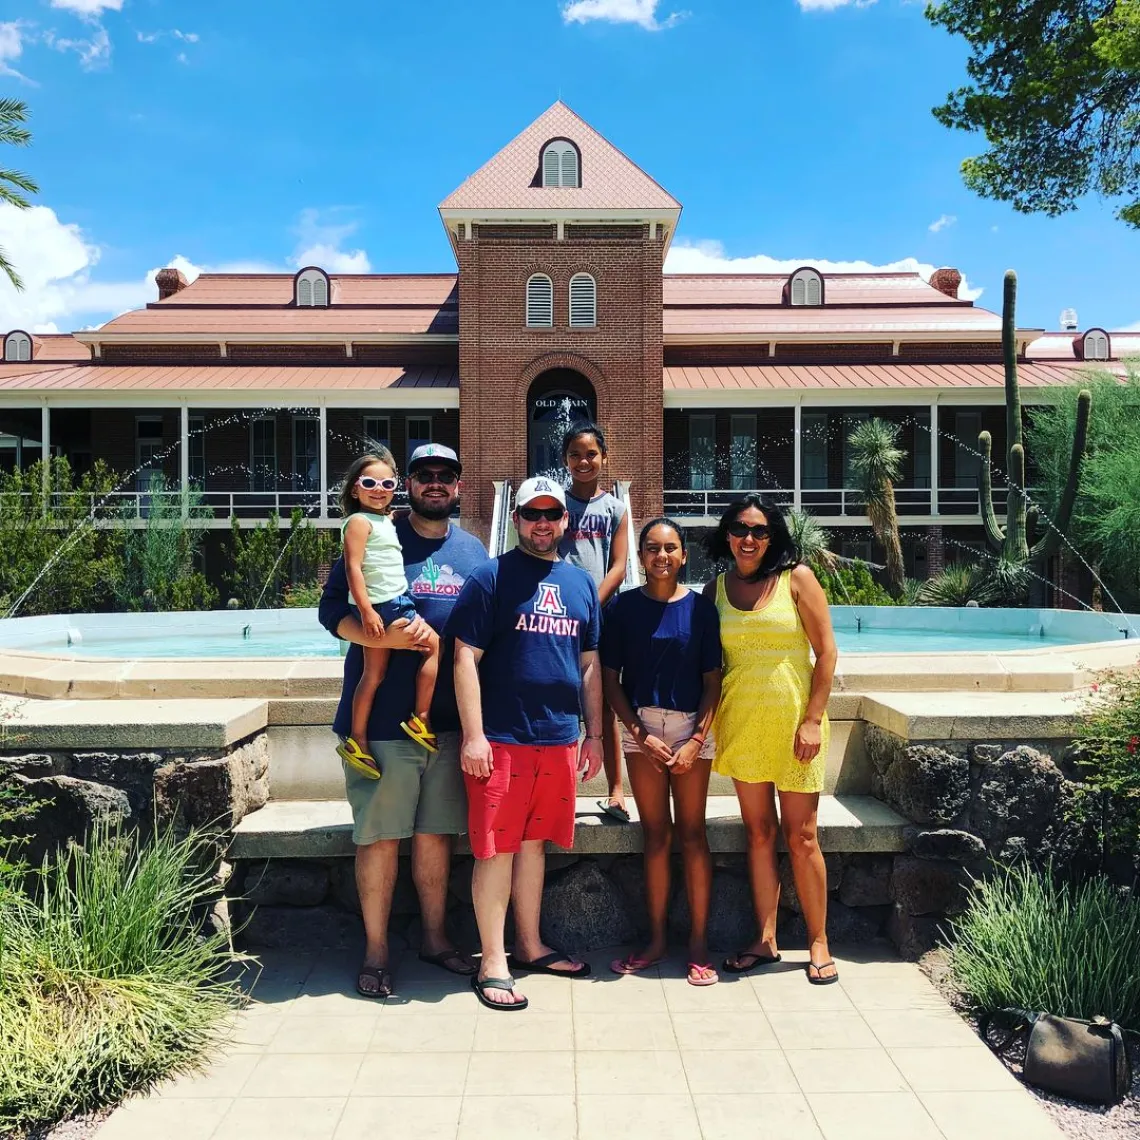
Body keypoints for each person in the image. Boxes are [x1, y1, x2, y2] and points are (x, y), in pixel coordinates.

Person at [318, 443, 488, 998]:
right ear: (406, 484)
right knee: (381, 838)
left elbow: (482, 634)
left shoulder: (473, 550)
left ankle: (435, 938)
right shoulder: (375, 532)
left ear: (458, 485)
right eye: (424, 475)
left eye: (446, 475)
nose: (435, 483)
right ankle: (376, 949)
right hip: (384, 726)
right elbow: (329, 612)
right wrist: (378, 635)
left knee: (436, 835)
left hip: (443, 725)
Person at [448, 475, 604, 1011]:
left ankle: (531, 944)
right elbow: (464, 656)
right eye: (532, 514)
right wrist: (473, 736)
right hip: (502, 740)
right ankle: (493, 961)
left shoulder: (581, 584)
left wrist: (595, 736)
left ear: (566, 521)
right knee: (496, 848)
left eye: (551, 514)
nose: (543, 523)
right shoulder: (489, 578)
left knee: (535, 844)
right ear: (516, 519)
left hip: (559, 739)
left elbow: (588, 666)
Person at [703, 495, 840, 986]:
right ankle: (765, 939)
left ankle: (819, 941)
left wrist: (812, 719)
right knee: (758, 834)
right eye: (740, 528)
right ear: (727, 534)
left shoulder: (796, 578)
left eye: (759, 531)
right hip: (743, 722)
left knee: (801, 837)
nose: (748, 538)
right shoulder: (715, 588)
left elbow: (826, 654)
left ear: (773, 536)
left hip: (795, 726)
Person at [602, 518, 722, 986]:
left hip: (693, 726)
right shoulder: (624, 610)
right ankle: (654, 939)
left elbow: (714, 681)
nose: (662, 556)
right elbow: (611, 682)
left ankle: (697, 944)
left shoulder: (701, 610)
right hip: (642, 727)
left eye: (671, 548)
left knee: (692, 834)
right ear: (640, 557)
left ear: (684, 555)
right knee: (655, 836)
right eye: (652, 548)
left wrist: (694, 740)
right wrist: (638, 732)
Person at [337, 448, 441, 772]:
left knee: (374, 674)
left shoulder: (381, 520)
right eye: (369, 482)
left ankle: (358, 739)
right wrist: (367, 611)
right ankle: (420, 718)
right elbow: (353, 568)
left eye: (387, 484)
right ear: (355, 488)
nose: (379, 489)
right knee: (434, 645)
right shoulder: (356, 522)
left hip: (387, 603)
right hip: (386, 604)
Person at [557, 421, 631, 822]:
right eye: (575, 454)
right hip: (558, 616)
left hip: (599, 616)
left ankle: (617, 791)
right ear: (565, 460)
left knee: (604, 703)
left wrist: (591, 603)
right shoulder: (556, 505)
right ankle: (564, 788)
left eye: (591, 454)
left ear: (604, 458)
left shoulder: (616, 509)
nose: (583, 461)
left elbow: (619, 566)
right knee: (565, 698)